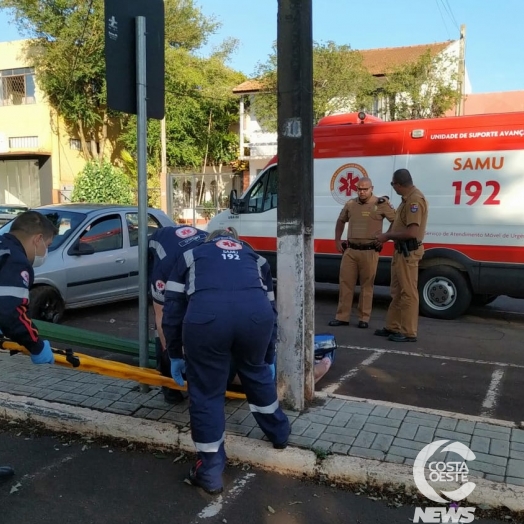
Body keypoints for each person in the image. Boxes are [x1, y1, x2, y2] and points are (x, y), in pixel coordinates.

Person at [162, 228, 290, 495]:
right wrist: (267, 356)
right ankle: (279, 434)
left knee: (207, 393)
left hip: (207, 321)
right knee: (256, 374)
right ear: (235, 240)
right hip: (256, 320)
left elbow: (173, 307)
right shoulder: (255, 258)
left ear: (211, 241)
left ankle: (209, 471)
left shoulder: (190, 255)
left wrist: (174, 353)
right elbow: (271, 309)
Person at [0, 210, 58, 481]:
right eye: (46, 245)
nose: (45, 251)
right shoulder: (16, 262)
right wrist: (36, 345)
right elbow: (11, 311)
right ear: (37, 239)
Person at [148, 225, 207, 403]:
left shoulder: (213, 260)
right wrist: (173, 354)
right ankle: (168, 384)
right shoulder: (164, 268)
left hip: (187, 255)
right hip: (160, 252)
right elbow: (162, 317)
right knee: (169, 323)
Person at [328, 177, 396, 329]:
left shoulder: (381, 204)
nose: (362, 192)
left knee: (367, 286)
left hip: (370, 251)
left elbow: (396, 221)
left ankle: (363, 318)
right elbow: (340, 221)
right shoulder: (351, 204)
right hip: (351, 250)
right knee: (345, 284)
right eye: (359, 189)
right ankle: (342, 317)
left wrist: (386, 237)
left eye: (365, 189)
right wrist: (337, 240)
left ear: (372, 188)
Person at [374, 168, 428, 342]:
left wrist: (387, 236)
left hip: (408, 252)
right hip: (400, 251)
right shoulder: (406, 200)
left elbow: (412, 232)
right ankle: (393, 326)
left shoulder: (414, 200)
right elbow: (398, 223)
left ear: (398, 184)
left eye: (392, 184)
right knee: (396, 291)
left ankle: (408, 331)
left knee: (408, 292)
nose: (393, 188)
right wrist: (386, 236)